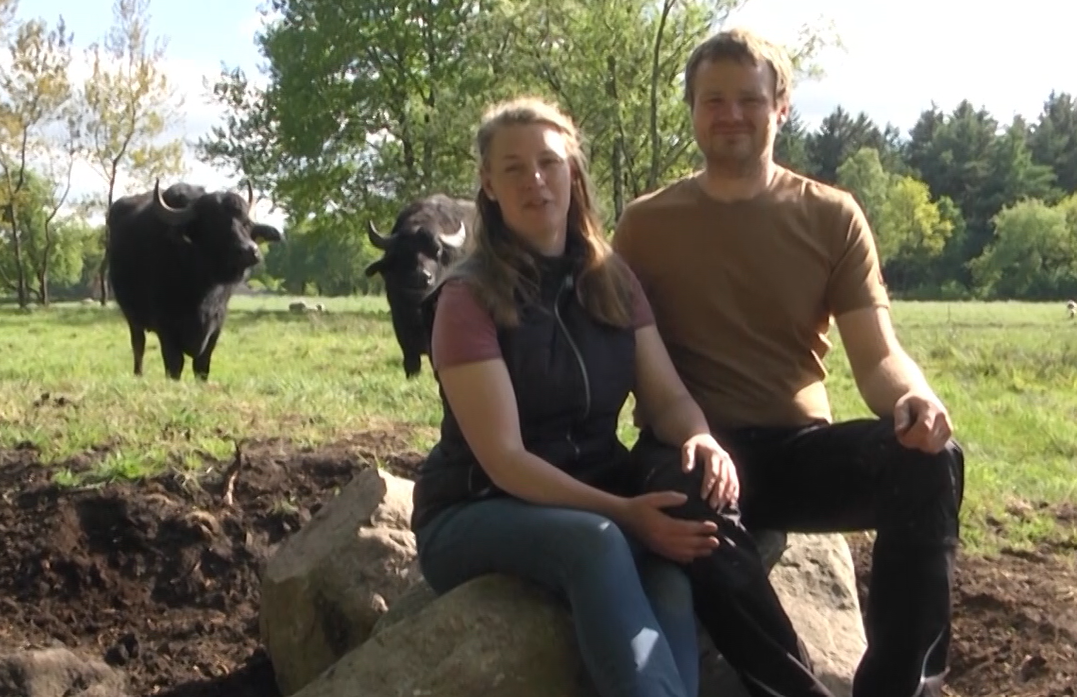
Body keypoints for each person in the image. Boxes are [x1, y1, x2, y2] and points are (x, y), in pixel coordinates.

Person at [409, 96, 834, 697]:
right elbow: (504, 459)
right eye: (513, 168)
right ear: (488, 184)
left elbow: (666, 399)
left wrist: (701, 437)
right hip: (473, 509)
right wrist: (627, 513)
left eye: (549, 162)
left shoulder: (612, 279)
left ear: (573, 172)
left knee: (673, 566)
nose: (535, 179)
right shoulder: (467, 298)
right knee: (600, 542)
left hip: (595, 493)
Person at [612, 27, 966, 697]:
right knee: (691, 512)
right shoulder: (644, 225)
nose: (730, 115)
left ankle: (895, 687)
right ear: (690, 109)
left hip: (796, 450)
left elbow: (877, 357)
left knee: (931, 461)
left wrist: (913, 398)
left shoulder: (830, 216)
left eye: (748, 99)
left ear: (780, 107)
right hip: (690, 450)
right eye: (712, 100)